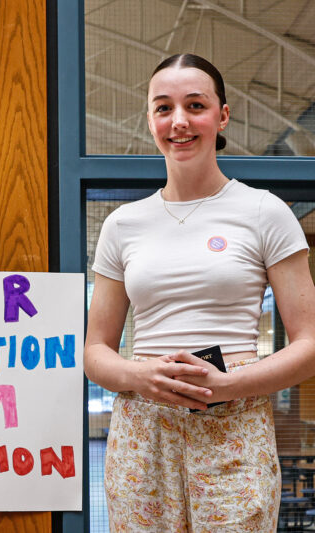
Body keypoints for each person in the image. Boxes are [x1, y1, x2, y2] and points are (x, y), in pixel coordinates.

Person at [84, 53, 315, 532]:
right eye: (163, 108)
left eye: (195, 105)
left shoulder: (263, 212)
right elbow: (94, 351)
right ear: (150, 119)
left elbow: (310, 344)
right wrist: (138, 376)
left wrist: (230, 384)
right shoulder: (123, 225)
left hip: (235, 423)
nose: (179, 122)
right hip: (143, 430)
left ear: (222, 115)